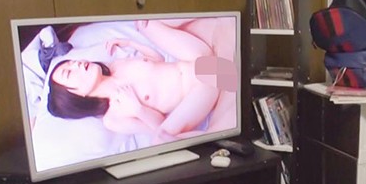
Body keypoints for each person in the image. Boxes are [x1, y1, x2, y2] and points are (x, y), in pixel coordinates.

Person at [46, 17, 236, 143]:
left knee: (144, 23)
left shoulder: (116, 65)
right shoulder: (113, 118)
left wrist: (131, 43)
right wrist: (138, 109)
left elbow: (157, 60)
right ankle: (218, 133)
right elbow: (158, 127)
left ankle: (222, 43)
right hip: (203, 88)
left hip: (198, 57)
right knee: (161, 139)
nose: (76, 64)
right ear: (76, 98)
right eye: (69, 73)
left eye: (70, 63)